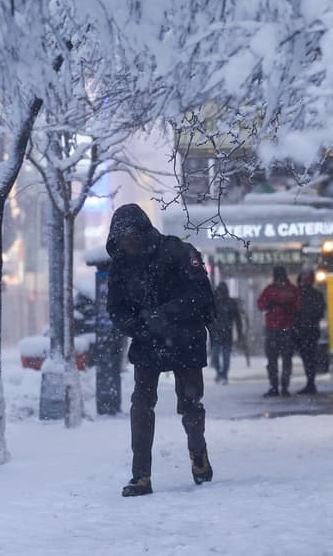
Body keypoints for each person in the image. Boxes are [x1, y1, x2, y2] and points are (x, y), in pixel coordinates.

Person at [106, 204, 216, 497]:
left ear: (142, 233)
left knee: (190, 402)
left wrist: (167, 314)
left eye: (130, 238)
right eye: (122, 240)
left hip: (186, 338)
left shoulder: (179, 252)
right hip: (147, 341)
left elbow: (201, 294)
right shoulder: (121, 265)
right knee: (141, 406)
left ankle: (198, 454)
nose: (127, 245)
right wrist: (138, 326)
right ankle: (141, 475)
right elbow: (115, 309)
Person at [256, 266, 301, 397]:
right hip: (281, 329)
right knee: (281, 360)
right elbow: (298, 306)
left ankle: (277, 386)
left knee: (275, 360)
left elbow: (261, 304)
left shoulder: (271, 290)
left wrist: (273, 305)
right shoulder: (291, 290)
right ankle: (281, 386)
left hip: (277, 329)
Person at [293, 270, 326, 395]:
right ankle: (310, 382)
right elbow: (320, 312)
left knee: (307, 357)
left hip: (302, 330)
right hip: (311, 330)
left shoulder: (298, 294)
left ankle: (310, 382)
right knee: (310, 357)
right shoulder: (317, 295)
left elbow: (293, 311)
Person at [210, 282, 244, 384]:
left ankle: (222, 374)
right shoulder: (221, 302)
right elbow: (237, 320)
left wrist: (240, 333)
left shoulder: (219, 302)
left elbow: (237, 320)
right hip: (221, 333)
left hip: (222, 334)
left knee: (222, 357)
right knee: (221, 356)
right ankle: (221, 374)